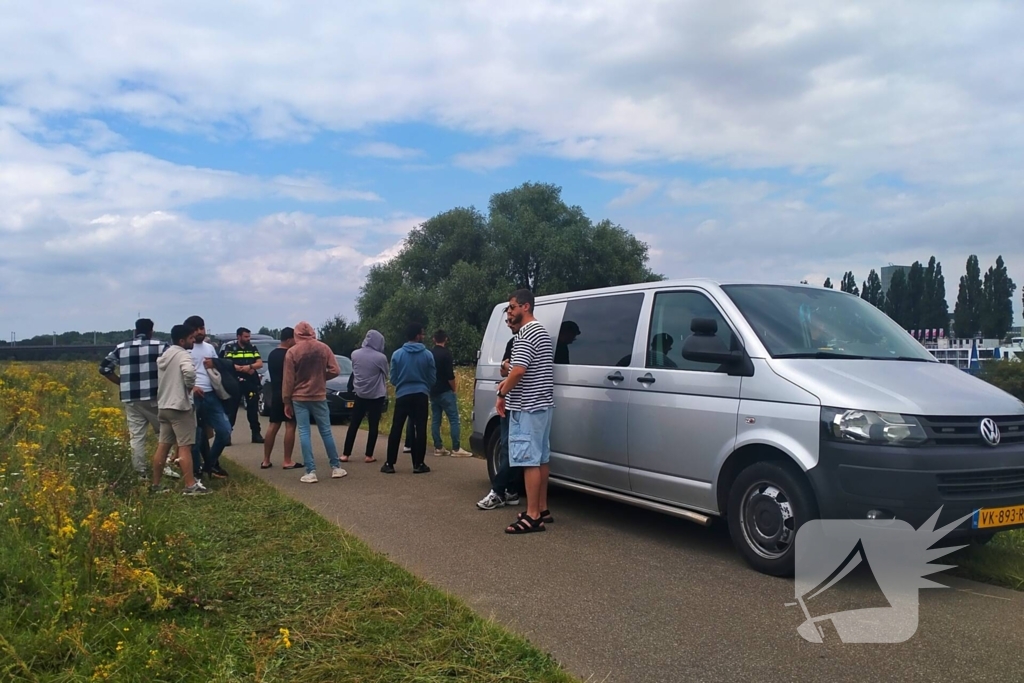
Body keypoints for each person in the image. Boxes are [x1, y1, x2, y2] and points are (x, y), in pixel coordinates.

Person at [497, 289, 555, 533]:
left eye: (512, 307)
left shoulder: (526, 334)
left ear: (526, 307)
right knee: (541, 458)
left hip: (527, 406)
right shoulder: (541, 331)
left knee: (529, 460)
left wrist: (501, 394)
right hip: (542, 405)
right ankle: (541, 508)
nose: (509, 312)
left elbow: (519, 371)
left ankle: (532, 517)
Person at [99, 318, 179, 480]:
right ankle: (165, 467)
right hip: (155, 397)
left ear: (135, 331)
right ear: (152, 331)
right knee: (164, 434)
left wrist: (121, 383)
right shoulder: (161, 346)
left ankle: (140, 473)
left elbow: (104, 368)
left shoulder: (121, 347)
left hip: (131, 398)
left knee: (137, 437)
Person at [282, 321, 346, 484]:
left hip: (299, 397)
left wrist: (286, 401)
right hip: (319, 395)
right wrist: (321, 377)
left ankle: (310, 471)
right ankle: (336, 467)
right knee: (326, 431)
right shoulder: (323, 348)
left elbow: (288, 380)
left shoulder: (292, 352)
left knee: (304, 432)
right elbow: (335, 370)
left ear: (296, 335)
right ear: (312, 333)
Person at [150, 324, 209, 496]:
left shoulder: (166, 354)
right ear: (182, 340)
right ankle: (190, 485)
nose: (193, 341)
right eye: (191, 338)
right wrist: (190, 386)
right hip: (180, 407)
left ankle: (156, 485)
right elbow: (189, 372)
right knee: (185, 447)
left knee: (163, 446)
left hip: (164, 406)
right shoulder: (183, 354)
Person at [477, 310, 525, 510]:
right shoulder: (512, 343)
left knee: (513, 448)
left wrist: (508, 366)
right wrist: (508, 367)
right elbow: (504, 370)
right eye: (506, 320)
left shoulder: (527, 340)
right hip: (510, 400)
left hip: (519, 402)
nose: (508, 324)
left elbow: (515, 370)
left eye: (510, 320)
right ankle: (509, 490)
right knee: (507, 446)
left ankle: (500, 489)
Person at [382, 322, 436, 474]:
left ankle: (390, 463)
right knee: (420, 428)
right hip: (421, 394)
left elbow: (393, 378)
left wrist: (401, 383)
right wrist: (425, 386)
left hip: (403, 394)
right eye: (422, 333)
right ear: (418, 335)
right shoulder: (427, 355)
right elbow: (432, 378)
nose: (423, 336)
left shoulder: (397, 354)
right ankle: (418, 464)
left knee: (397, 428)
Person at [184, 315, 232, 481]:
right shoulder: (184, 349)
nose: (200, 332)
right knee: (196, 437)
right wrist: (191, 387)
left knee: (225, 430)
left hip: (211, 395)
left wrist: (215, 364)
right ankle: (196, 471)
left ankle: (210, 464)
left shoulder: (209, 348)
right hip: (192, 397)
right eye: (196, 329)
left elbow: (217, 368)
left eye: (202, 328)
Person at [343, 329, 390, 463]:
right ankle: (369, 455)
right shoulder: (381, 358)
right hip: (376, 395)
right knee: (373, 425)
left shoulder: (355, 354)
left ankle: (346, 454)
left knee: (354, 424)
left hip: (360, 394)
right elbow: (386, 373)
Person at [261, 327, 299, 470]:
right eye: (295, 339)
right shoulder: (290, 354)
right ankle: (287, 460)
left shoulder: (272, 355)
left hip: (275, 392)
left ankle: (266, 460)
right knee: (290, 425)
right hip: (288, 393)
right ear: (289, 339)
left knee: (273, 425)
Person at [429, 330, 472, 457]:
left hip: (433, 390)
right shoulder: (446, 354)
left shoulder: (430, 354)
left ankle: (438, 447)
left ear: (433, 339)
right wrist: (454, 389)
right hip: (445, 390)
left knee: (436, 419)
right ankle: (456, 448)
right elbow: (449, 375)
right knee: (453, 419)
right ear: (446, 339)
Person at [219, 326, 265, 444]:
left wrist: (250, 367)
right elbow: (226, 363)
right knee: (232, 410)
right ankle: (227, 436)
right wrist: (240, 369)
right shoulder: (231, 348)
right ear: (238, 337)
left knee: (253, 410)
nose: (248, 339)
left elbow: (259, 363)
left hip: (250, 382)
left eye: (249, 336)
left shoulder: (252, 348)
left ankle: (256, 434)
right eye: (246, 336)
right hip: (235, 382)